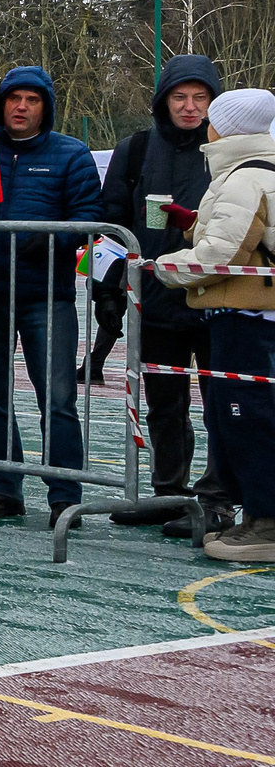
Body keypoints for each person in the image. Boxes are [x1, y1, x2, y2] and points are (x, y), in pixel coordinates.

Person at [0, 66, 103, 526]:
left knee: (57, 398)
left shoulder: (71, 154)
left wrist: (57, 239)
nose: (22, 107)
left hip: (46, 294)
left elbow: (90, 214)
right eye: (14, 98)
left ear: (45, 107)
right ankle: (3, 488)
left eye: (32, 99)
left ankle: (65, 495)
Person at [154, 88, 275, 559]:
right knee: (240, 416)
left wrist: (160, 266)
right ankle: (257, 515)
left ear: (221, 126)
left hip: (248, 316)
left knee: (249, 418)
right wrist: (194, 221)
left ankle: (267, 521)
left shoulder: (243, 178)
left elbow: (223, 255)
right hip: (249, 313)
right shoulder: (252, 172)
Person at [98, 53, 223, 498]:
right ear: (163, 101)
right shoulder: (134, 151)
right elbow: (109, 226)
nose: (190, 107)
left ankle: (218, 494)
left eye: (200, 97)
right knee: (164, 405)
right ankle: (168, 489)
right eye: (180, 97)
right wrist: (106, 291)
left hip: (217, 302)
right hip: (153, 300)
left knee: (224, 405)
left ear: (214, 102)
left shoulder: (229, 154)